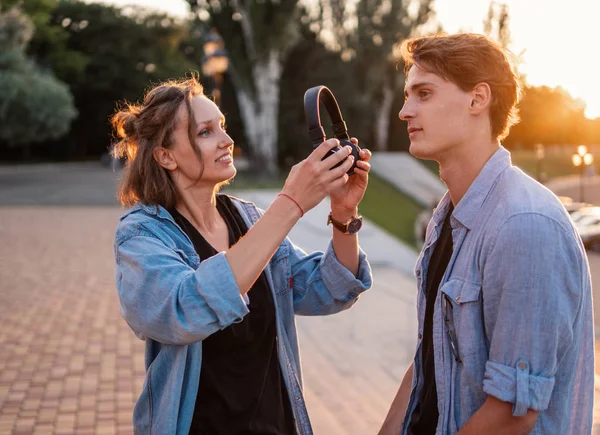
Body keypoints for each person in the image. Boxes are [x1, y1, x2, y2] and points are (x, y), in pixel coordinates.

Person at [111, 76, 373, 435]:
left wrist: (343, 213)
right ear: (165, 156)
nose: (227, 139)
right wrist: (291, 203)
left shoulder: (247, 218)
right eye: (205, 132)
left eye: (222, 125)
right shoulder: (142, 235)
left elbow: (326, 290)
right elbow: (183, 311)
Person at [378, 33, 594, 435]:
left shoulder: (524, 224)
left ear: (478, 99)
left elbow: (513, 413)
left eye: (423, 93)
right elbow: (430, 360)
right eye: (408, 95)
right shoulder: (448, 219)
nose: (405, 111)